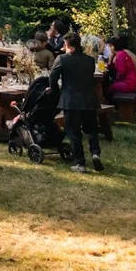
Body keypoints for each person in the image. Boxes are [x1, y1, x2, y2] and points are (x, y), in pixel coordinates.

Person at [52, 31, 103, 173]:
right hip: (89, 99)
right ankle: (95, 153)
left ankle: (80, 163)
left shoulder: (62, 59)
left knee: (73, 132)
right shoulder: (89, 60)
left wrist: (55, 91)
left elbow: (52, 77)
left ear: (67, 45)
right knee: (92, 129)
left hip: (71, 100)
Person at [102, 34, 136, 103]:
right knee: (110, 86)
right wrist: (110, 57)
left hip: (130, 83)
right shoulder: (122, 53)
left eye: (110, 46)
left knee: (110, 87)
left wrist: (116, 80)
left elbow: (121, 71)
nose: (109, 48)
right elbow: (111, 67)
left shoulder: (120, 55)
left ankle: (110, 104)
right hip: (132, 82)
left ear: (114, 46)